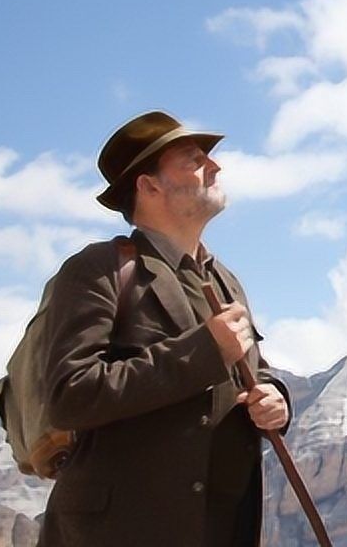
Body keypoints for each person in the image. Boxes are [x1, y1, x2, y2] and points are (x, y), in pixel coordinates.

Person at [38, 111, 290, 547]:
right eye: (193, 160)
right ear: (148, 185)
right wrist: (204, 350)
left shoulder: (225, 281)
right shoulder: (97, 270)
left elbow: (253, 372)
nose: (215, 166)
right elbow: (70, 394)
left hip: (221, 527)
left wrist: (275, 401)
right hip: (121, 532)